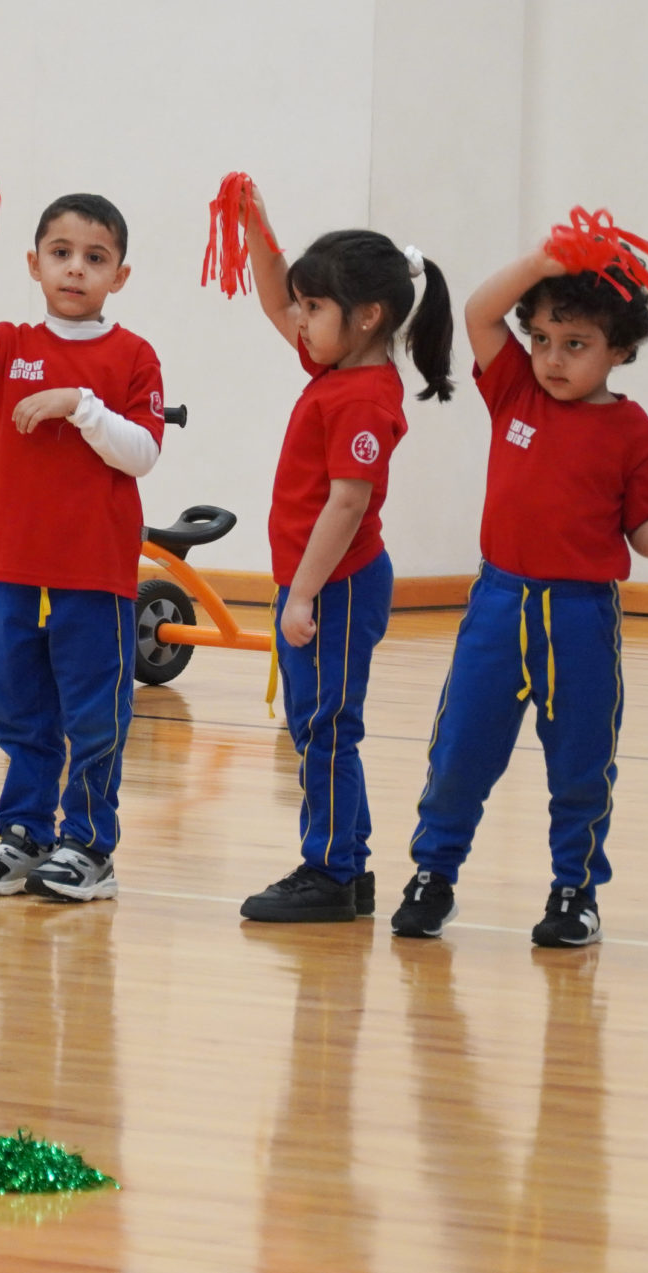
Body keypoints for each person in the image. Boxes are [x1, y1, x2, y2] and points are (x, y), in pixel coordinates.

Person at [393, 220, 648, 946]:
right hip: (499, 603)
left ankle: (574, 891)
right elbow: (478, 312)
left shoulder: (637, 436)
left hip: (581, 618)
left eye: (576, 344)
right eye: (542, 339)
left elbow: (640, 523)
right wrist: (542, 262)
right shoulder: (515, 392)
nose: (553, 358)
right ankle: (434, 874)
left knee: (581, 762)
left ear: (621, 349)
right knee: (461, 749)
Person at [0, 194, 165, 903]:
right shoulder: (9, 344)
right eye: (61, 253)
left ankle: (89, 845)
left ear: (120, 275)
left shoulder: (134, 356)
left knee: (93, 716)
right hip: (15, 572)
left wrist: (78, 404)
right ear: (34, 263)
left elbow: (142, 453)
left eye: (95, 257)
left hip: (94, 576)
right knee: (20, 712)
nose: (75, 268)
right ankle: (23, 835)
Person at [231, 189, 456, 923]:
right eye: (303, 305)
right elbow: (274, 300)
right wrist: (257, 227)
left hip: (337, 587)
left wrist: (301, 594)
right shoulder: (337, 367)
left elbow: (347, 504)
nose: (297, 320)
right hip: (321, 583)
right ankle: (347, 866)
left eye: (314, 307)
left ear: (367, 317)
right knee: (315, 725)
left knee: (327, 728)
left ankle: (329, 870)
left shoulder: (361, 396)